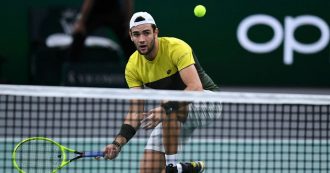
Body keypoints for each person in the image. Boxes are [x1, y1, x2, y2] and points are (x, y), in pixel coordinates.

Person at [103, 12, 222, 173]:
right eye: (136, 34)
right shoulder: (133, 67)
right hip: (173, 113)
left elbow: (195, 88)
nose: (142, 39)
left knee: (168, 102)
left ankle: (172, 166)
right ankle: (182, 169)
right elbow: (135, 112)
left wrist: (164, 109)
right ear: (131, 36)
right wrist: (117, 143)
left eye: (146, 33)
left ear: (156, 32)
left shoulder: (176, 48)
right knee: (147, 170)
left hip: (207, 103)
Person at [69, 0, 135, 61]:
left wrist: (128, 22)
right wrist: (81, 22)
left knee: (128, 36)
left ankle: (137, 69)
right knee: (79, 33)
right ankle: (71, 68)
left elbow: (128, 1)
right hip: (95, 10)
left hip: (113, 10)